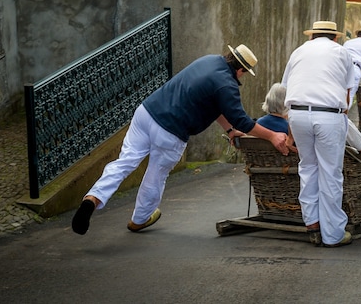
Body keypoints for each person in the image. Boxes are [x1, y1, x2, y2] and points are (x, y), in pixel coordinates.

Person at [71, 45, 289, 235]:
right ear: (241, 70)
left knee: (125, 162)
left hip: (146, 113)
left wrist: (229, 130)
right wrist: (271, 135)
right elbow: (242, 120)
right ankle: (139, 220)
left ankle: (93, 198)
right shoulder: (227, 85)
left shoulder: (209, 61)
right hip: (171, 131)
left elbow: (215, 106)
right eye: (244, 73)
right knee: (155, 175)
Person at [281, 20, 353, 248]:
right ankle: (332, 235)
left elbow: (288, 88)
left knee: (308, 167)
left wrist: (290, 132)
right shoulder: (341, 52)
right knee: (330, 173)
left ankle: (312, 222)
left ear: (312, 36)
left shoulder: (298, 51)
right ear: (335, 37)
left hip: (297, 114)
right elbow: (347, 93)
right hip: (328, 115)